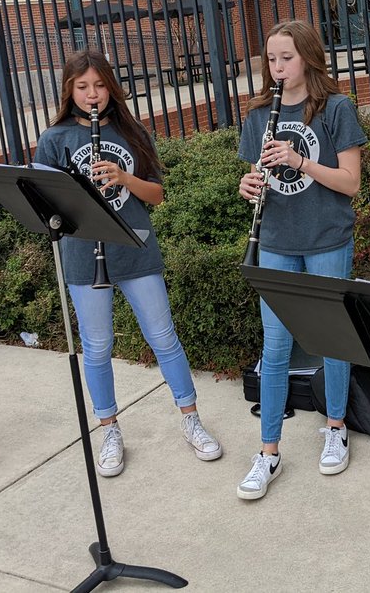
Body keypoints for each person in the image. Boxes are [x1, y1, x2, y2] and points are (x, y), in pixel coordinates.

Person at [34, 49, 221, 477]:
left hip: (134, 249)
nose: (92, 94)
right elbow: (42, 201)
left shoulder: (130, 131)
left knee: (163, 336)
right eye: (82, 87)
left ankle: (190, 418)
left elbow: (156, 194)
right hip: (84, 255)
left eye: (99, 85)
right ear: (69, 90)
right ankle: (109, 428)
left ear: (111, 87)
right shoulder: (55, 138)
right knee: (97, 348)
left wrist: (123, 178)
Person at [236, 19, 367, 501]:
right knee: (274, 347)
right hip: (276, 240)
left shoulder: (335, 108)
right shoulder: (258, 115)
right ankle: (268, 451)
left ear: (309, 57)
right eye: (271, 59)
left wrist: (301, 161)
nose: (277, 68)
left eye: (286, 58)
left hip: (327, 239)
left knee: (333, 340)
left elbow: (350, 183)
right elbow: (256, 174)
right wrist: (249, 184)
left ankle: (335, 426)